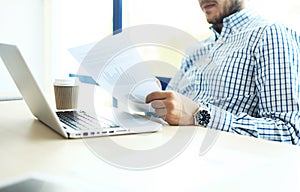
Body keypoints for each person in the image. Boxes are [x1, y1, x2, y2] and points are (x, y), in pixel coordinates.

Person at [145, 0, 300, 145]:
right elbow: (170, 111)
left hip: (233, 166)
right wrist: (150, 99)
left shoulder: (269, 35)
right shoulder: (196, 50)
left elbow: (289, 132)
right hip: (180, 152)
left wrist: (200, 115)